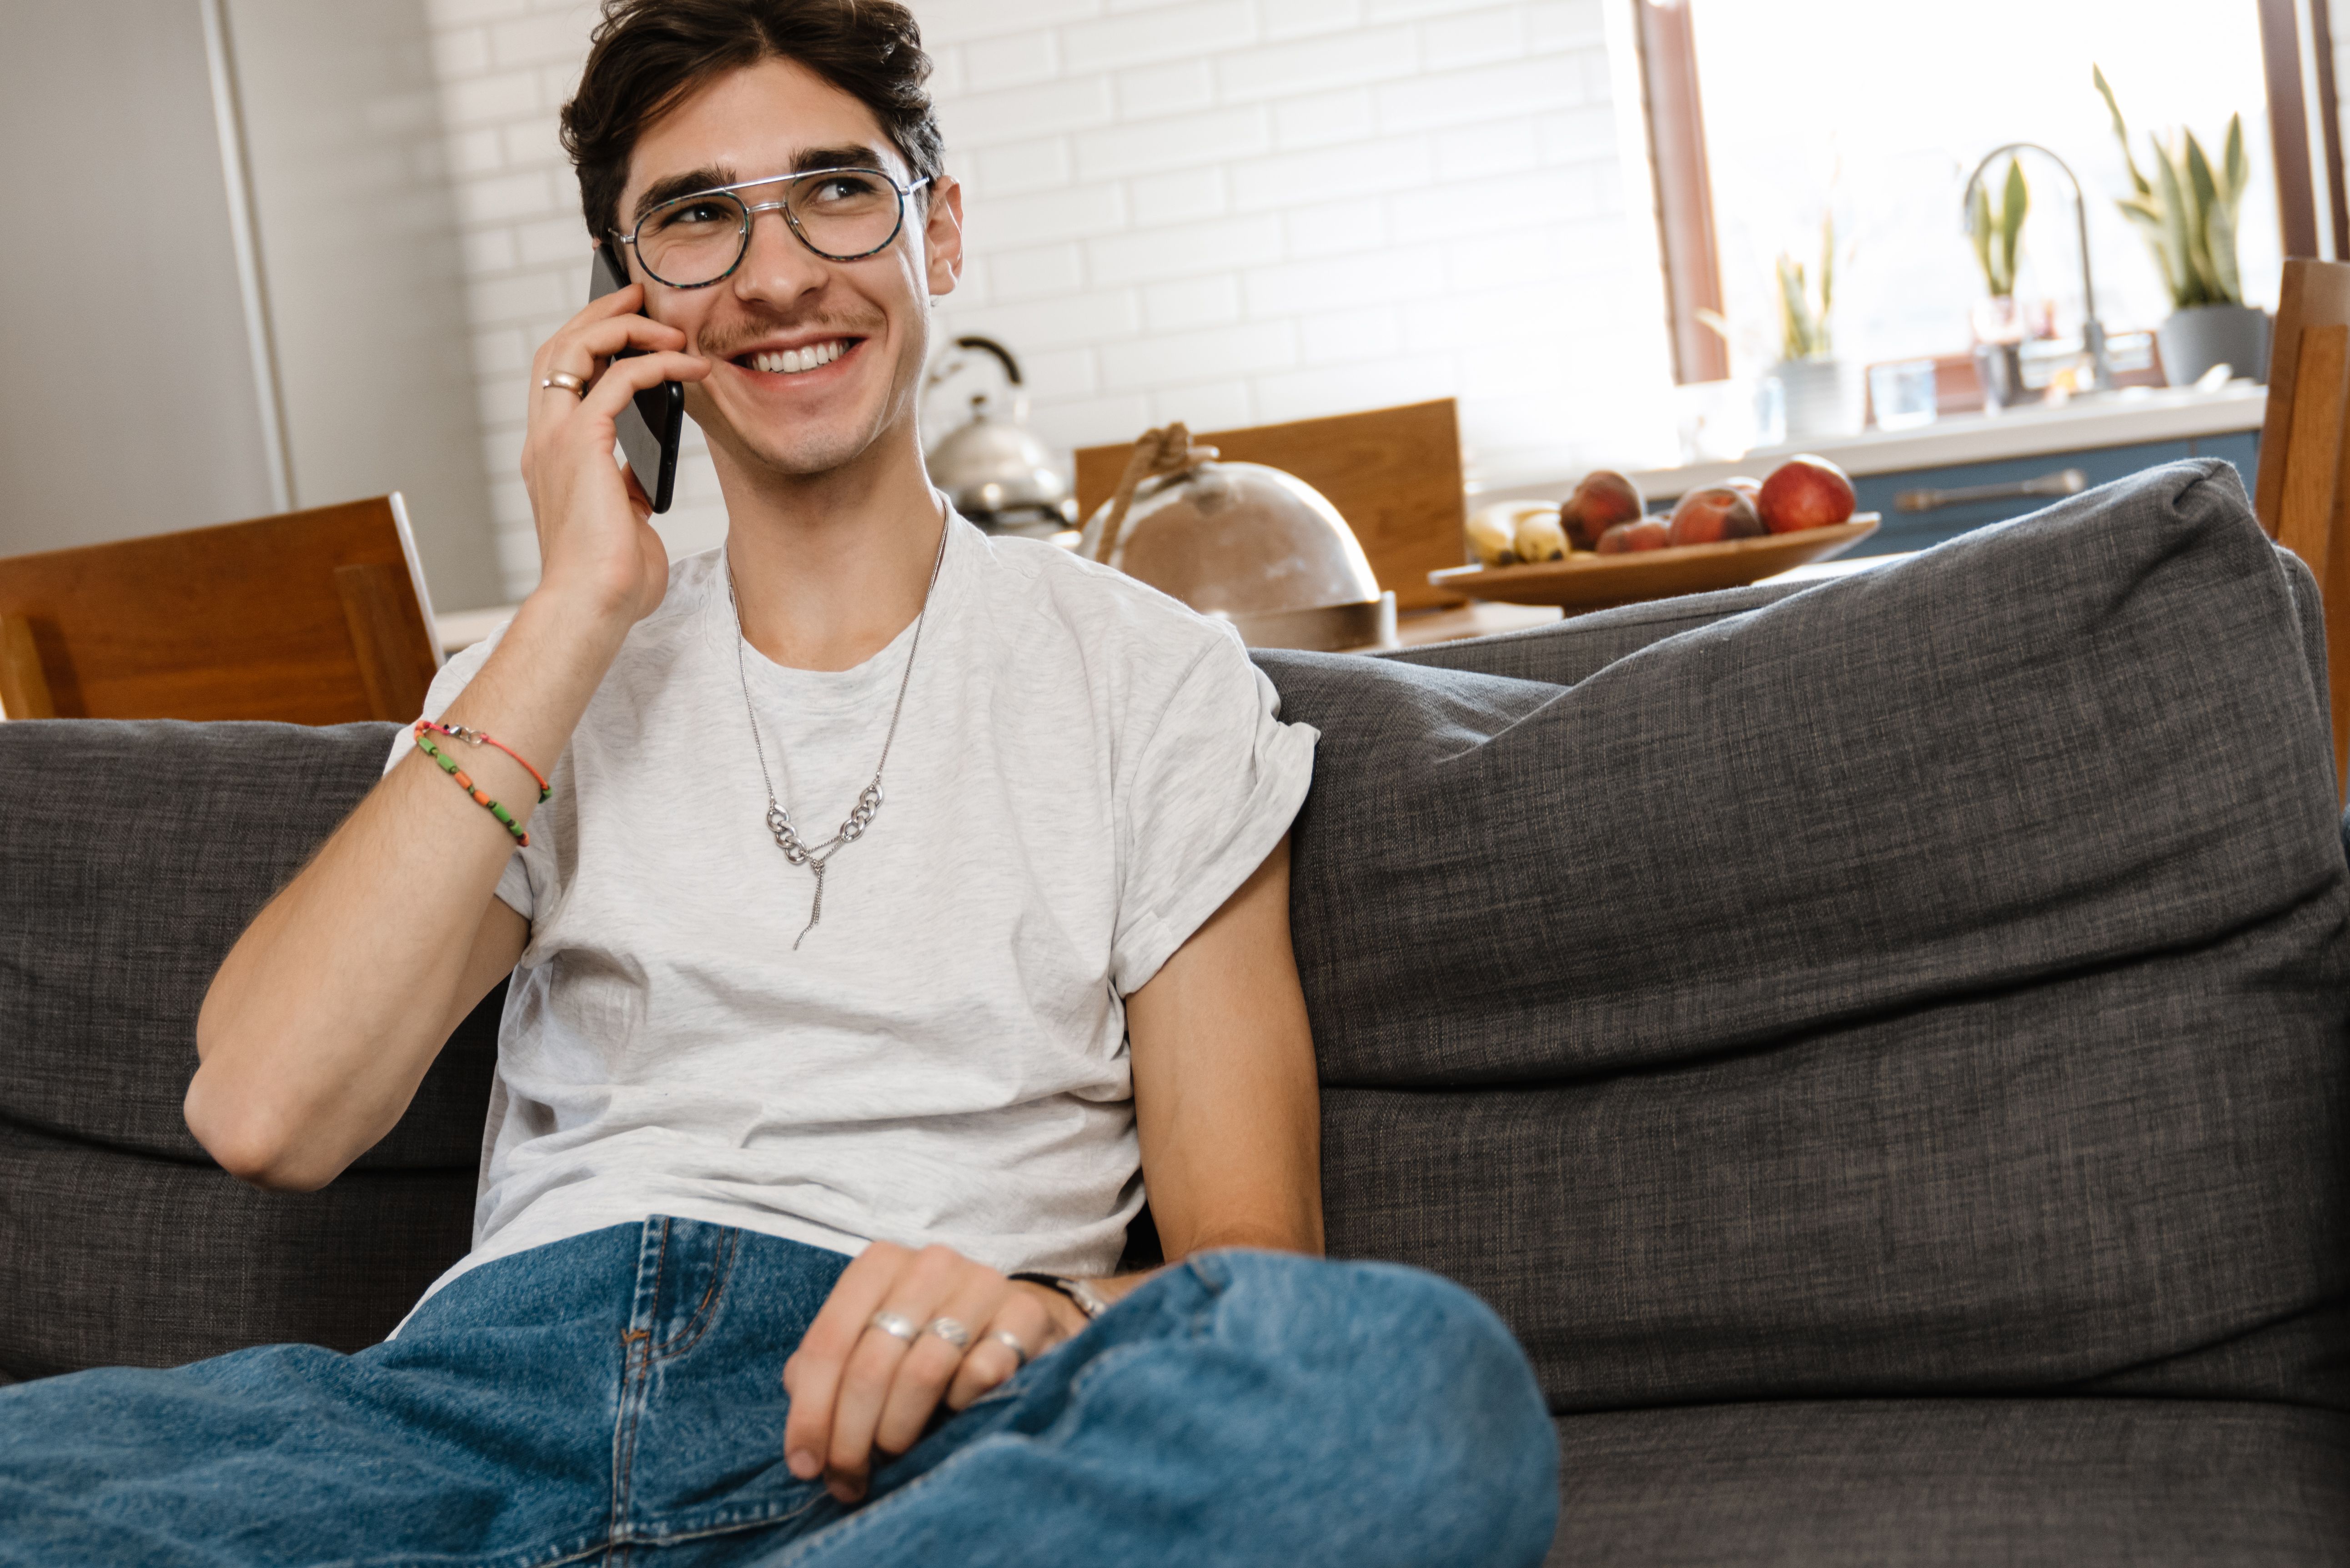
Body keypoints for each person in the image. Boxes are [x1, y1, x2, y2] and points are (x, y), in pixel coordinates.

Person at [0, 2, 1557, 1562]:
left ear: (936, 231)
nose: (776, 273)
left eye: (836, 188)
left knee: (1406, 1385)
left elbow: (1256, 1277)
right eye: (694, 218)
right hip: (478, 1419)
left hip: (916, 1439)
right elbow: (269, 1109)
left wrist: (1033, 1311)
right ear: (630, 303)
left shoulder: (1149, 679)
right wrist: (570, 611)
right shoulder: (535, 686)